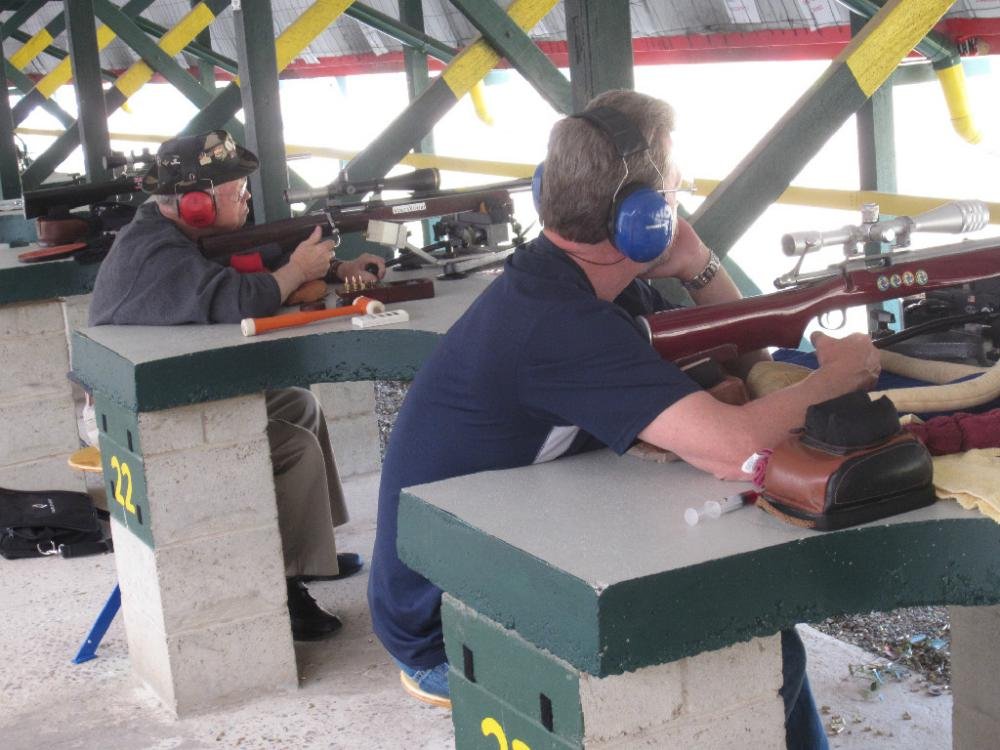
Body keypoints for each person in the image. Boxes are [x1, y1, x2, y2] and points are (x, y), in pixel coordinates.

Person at [368, 90, 879, 748]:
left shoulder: (573, 279)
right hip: (442, 623)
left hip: (479, 549)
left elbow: (744, 354)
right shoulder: (559, 322)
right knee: (757, 638)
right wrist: (843, 376)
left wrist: (698, 265)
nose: (679, 200)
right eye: (673, 191)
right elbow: (734, 446)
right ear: (641, 220)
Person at [89, 130, 387, 641]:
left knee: (299, 405)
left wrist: (336, 269)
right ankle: (288, 583)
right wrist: (297, 270)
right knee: (291, 445)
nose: (247, 199)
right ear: (198, 205)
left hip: (180, 388)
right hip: (150, 414)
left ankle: (310, 553)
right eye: (237, 193)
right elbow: (238, 299)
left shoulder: (177, 233)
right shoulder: (155, 253)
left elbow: (250, 260)